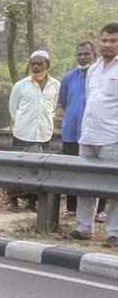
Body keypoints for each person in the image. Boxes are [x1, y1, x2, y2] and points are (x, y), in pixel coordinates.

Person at [71, 22, 118, 247]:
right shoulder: (94, 69)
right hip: (88, 135)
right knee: (85, 184)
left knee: (114, 189)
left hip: (113, 137)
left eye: (113, 41)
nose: (107, 45)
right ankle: (83, 227)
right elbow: (91, 101)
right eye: (105, 40)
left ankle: (114, 232)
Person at [6, 50, 60, 211]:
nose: (36, 67)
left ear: (47, 65)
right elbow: (12, 108)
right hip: (23, 133)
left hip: (44, 133)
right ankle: (13, 200)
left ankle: (32, 202)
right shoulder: (20, 85)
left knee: (39, 170)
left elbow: (55, 107)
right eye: (33, 64)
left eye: (39, 64)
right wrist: (22, 123)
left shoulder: (56, 85)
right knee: (18, 167)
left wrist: (46, 120)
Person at [58, 41, 95, 216]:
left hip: (93, 132)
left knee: (96, 173)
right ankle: (72, 208)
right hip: (71, 131)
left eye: (86, 54)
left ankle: (99, 210)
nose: (83, 57)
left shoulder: (98, 75)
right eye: (79, 54)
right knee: (71, 170)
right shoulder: (68, 77)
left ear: (94, 55)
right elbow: (64, 103)